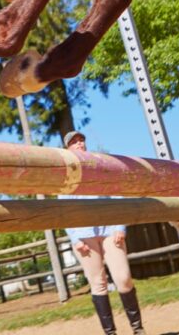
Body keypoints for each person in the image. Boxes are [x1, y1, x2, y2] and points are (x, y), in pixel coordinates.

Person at [63, 130, 146, 335]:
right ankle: (110, 333)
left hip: (109, 229)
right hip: (84, 234)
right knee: (98, 283)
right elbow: (64, 210)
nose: (79, 143)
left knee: (123, 278)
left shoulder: (100, 165)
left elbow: (117, 194)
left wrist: (120, 226)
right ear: (68, 148)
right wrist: (75, 239)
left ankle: (138, 329)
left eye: (81, 140)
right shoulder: (67, 173)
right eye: (74, 142)